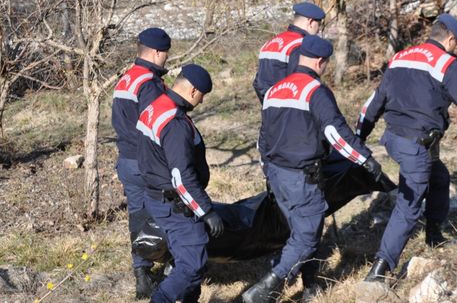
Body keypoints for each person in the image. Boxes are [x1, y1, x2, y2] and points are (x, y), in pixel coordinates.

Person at [355, 13, 457, 282]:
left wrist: (360, 135)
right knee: (409, 205)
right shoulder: (445, 63)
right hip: (415, 144)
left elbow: (374, 102)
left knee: (439, 177)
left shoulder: (401, 56)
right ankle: (379, 269)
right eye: (456, 43)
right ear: (450, 39)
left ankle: (434, 235)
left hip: (394, 138)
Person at [242, 36, 384, 303]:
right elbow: (335, 132)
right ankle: (264, 291)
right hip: (301, 177)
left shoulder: (274, 91)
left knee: (305, 228)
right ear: (320, 61)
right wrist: (365, 159)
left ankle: (310, 287)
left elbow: (263, 138)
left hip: (276, 174)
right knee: (306, 236)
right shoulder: (314, 91)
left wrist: (267, 171)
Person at [137, 64, 225, 303]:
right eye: (202, 96)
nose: (202, 102)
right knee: (193, 264)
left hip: (156, 195)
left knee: (185, 259)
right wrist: (206, 211)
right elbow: (181, 177)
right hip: (175, 204)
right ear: (194, 90)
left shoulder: (155, 106)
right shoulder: (175, 124)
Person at [111, 27, 171, 298]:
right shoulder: (149, 83)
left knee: (137, 216)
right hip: (147, 161)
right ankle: (174, 268)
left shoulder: (126, 79)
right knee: (168, 212)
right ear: (158, 52)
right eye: (166, 54)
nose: (167, 59)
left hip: (126, 159)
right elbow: (155, 124)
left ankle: (142, 274)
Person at [252, 1, 326, 103]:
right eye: (319, 24)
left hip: (269, 111)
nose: (318, 30)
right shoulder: (301, 45)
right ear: (310, 22)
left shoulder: (269, 43)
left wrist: (268, 106)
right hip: (292, 112)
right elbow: (303, 82)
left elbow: (258, 82)